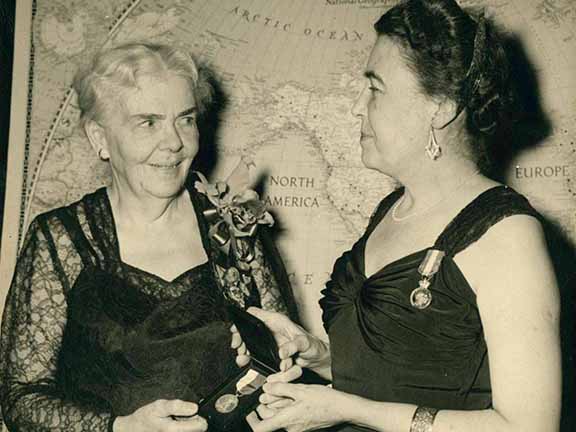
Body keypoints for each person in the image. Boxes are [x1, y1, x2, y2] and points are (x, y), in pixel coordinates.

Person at [232, 1, 561, 431]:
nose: (356, 107)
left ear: (439, 108)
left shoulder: (507, 235)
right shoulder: (392, 209)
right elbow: (405, 377)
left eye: (375, 88)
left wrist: (348, 409)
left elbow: (529, 428)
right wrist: (317, 352)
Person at [0, 42, 297, 432]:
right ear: (99, 138)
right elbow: (21, 399)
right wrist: (119, 427)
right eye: (148, 122)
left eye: (186, 119)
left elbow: (281, 362)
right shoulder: (60, 239)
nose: (174, 142)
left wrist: (282, 371)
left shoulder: (230, 226)